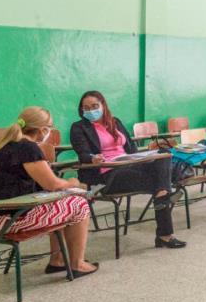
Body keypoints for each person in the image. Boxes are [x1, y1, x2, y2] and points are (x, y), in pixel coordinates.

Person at [0, 107, 98, 277]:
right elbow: (52, 183)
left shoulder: (5, 145)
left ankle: (58, 261)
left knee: (59, 204)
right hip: (5, 221)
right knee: (79, 204)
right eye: (50, 129)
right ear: (43, 130)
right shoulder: (27, 147)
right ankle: (77, 264)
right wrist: (72, 182)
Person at [69, 90, 186, 249]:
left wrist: (144, 156)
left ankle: (162, 198)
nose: (90, 110)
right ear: (81, 110)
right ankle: (164, 221)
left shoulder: (114, 122)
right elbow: (82, 153)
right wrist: (92, 158)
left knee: (164, 155)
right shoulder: (78, 127)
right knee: (162, 185)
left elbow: (131, 148)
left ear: (103, 105)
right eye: (86, 108)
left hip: (130, 164)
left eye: (95, 106)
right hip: (108, 173)